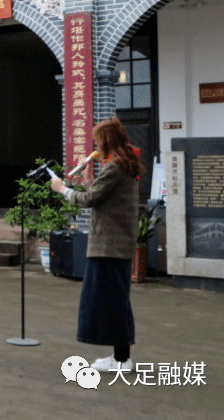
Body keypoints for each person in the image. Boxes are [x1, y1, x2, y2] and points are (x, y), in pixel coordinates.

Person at [51, 118, 143, 373]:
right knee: (115, 300)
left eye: (98, 140)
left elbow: (91, 199)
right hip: (114, 245)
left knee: (112, 302)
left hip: (109, 246)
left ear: (107, 141)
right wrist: (85, 177)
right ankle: (120, 357)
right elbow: (101, 195)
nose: (96, 145)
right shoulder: (123, 165)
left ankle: (122, 360)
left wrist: (62, 189)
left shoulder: (115, 167)